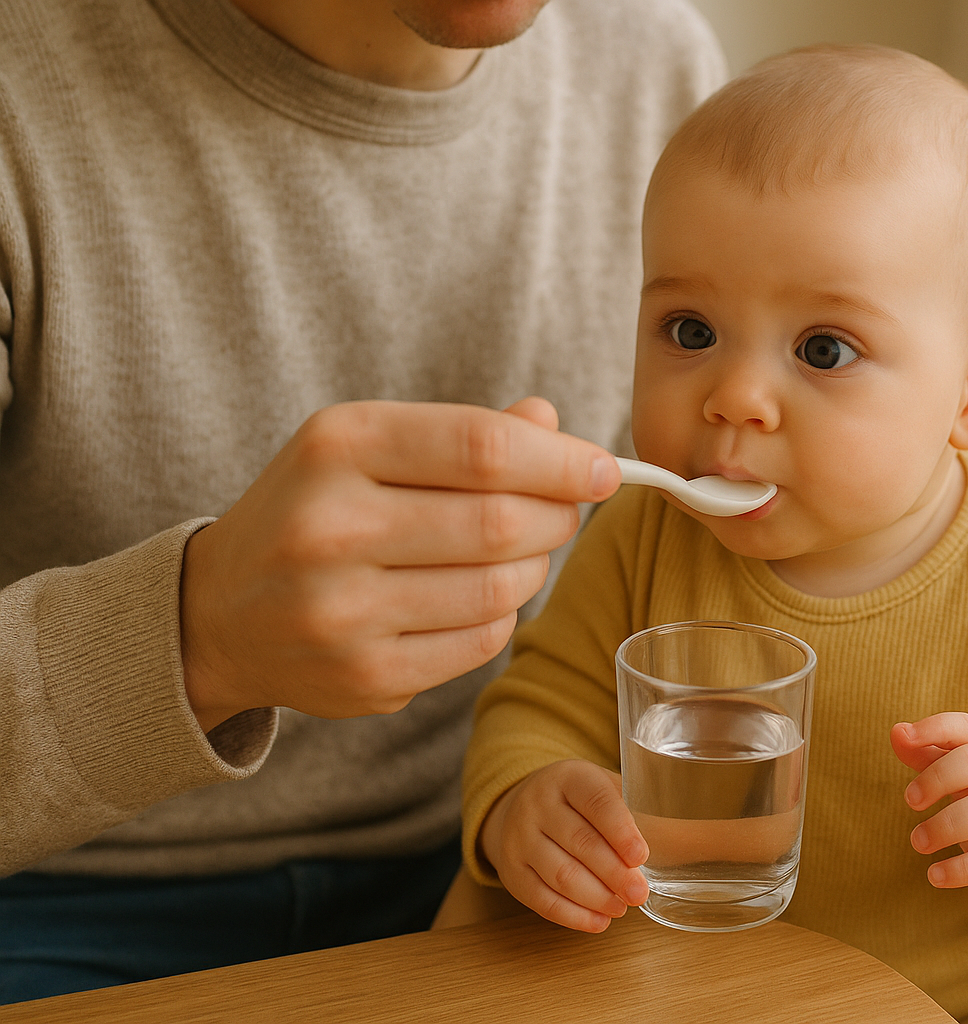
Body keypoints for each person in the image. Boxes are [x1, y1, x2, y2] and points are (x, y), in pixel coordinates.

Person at [461, 44, 968, 1023]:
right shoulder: (643, 534)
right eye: (690, 331)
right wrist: (529, 797)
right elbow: (538, 700)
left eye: (823, 349)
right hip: (689, 981)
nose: (735, 396)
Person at [0, 0, 725, 1003]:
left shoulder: (658, 74)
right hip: (48, 902)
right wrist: (195, 636)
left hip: (490, 867)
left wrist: (533, 787)